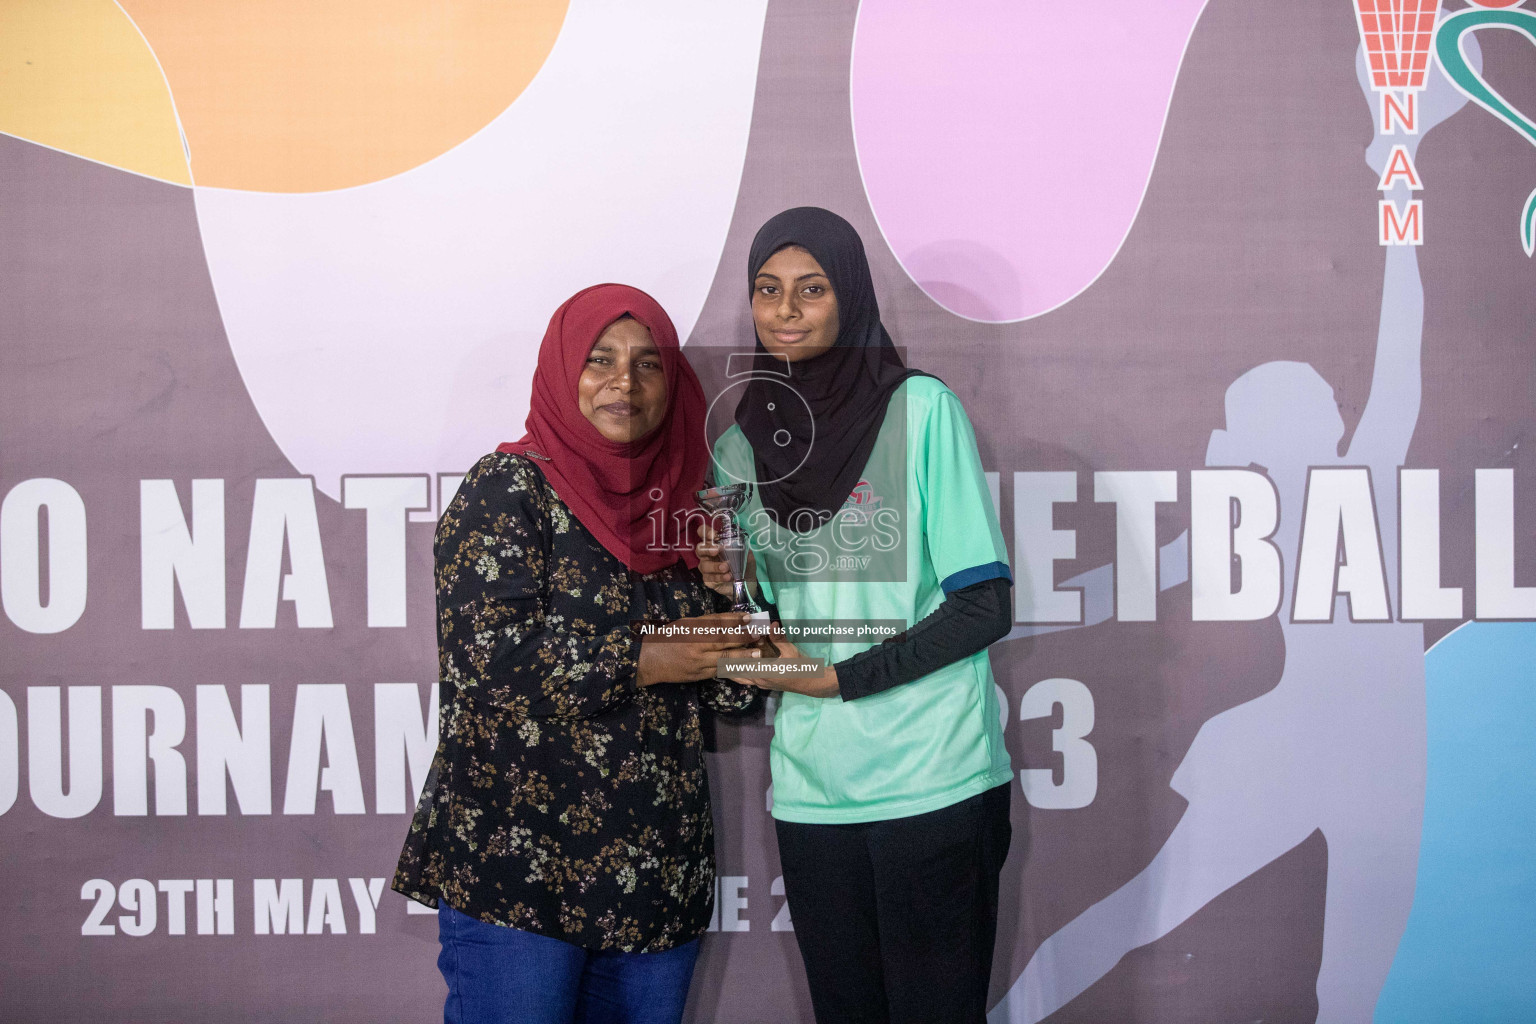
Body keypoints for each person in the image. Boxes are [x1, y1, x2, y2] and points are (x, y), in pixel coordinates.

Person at [393, 283, 761, 1024]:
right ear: (563, 373)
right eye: (598, 361)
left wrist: (728, 594)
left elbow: (735, 695)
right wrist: (650, 656)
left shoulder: (686, 509)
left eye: (647, 365)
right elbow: (487, 662)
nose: (623, 384)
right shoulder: (508, 490)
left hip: (654, 878)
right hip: (519, 872)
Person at [696, 207, 1016, 1024]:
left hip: (932, 779)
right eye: (767, 290)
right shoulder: (742, 449)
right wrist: (730, 593)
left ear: (851, 300)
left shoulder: (920, 412)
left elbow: (984, 603)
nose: (786, 311)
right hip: (812, 792)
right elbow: (776, 622)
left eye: (812, 289)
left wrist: (841, 679)